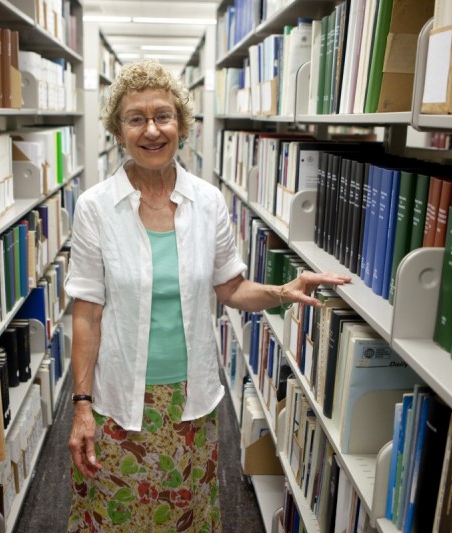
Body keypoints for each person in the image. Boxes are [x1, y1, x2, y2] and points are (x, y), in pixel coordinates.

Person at [64, 59, 351, 532]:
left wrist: (283, 290)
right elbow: (87, 313)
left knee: (183, 517)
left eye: (163, 115)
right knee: (116, 517)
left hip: (190, 400)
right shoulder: (96, 207)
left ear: (182, 124)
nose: (152, 130)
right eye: (136, 118)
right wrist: (80, 405)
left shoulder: (209, 202)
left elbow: (231, 287)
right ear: (118, 130)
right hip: (117, 400)